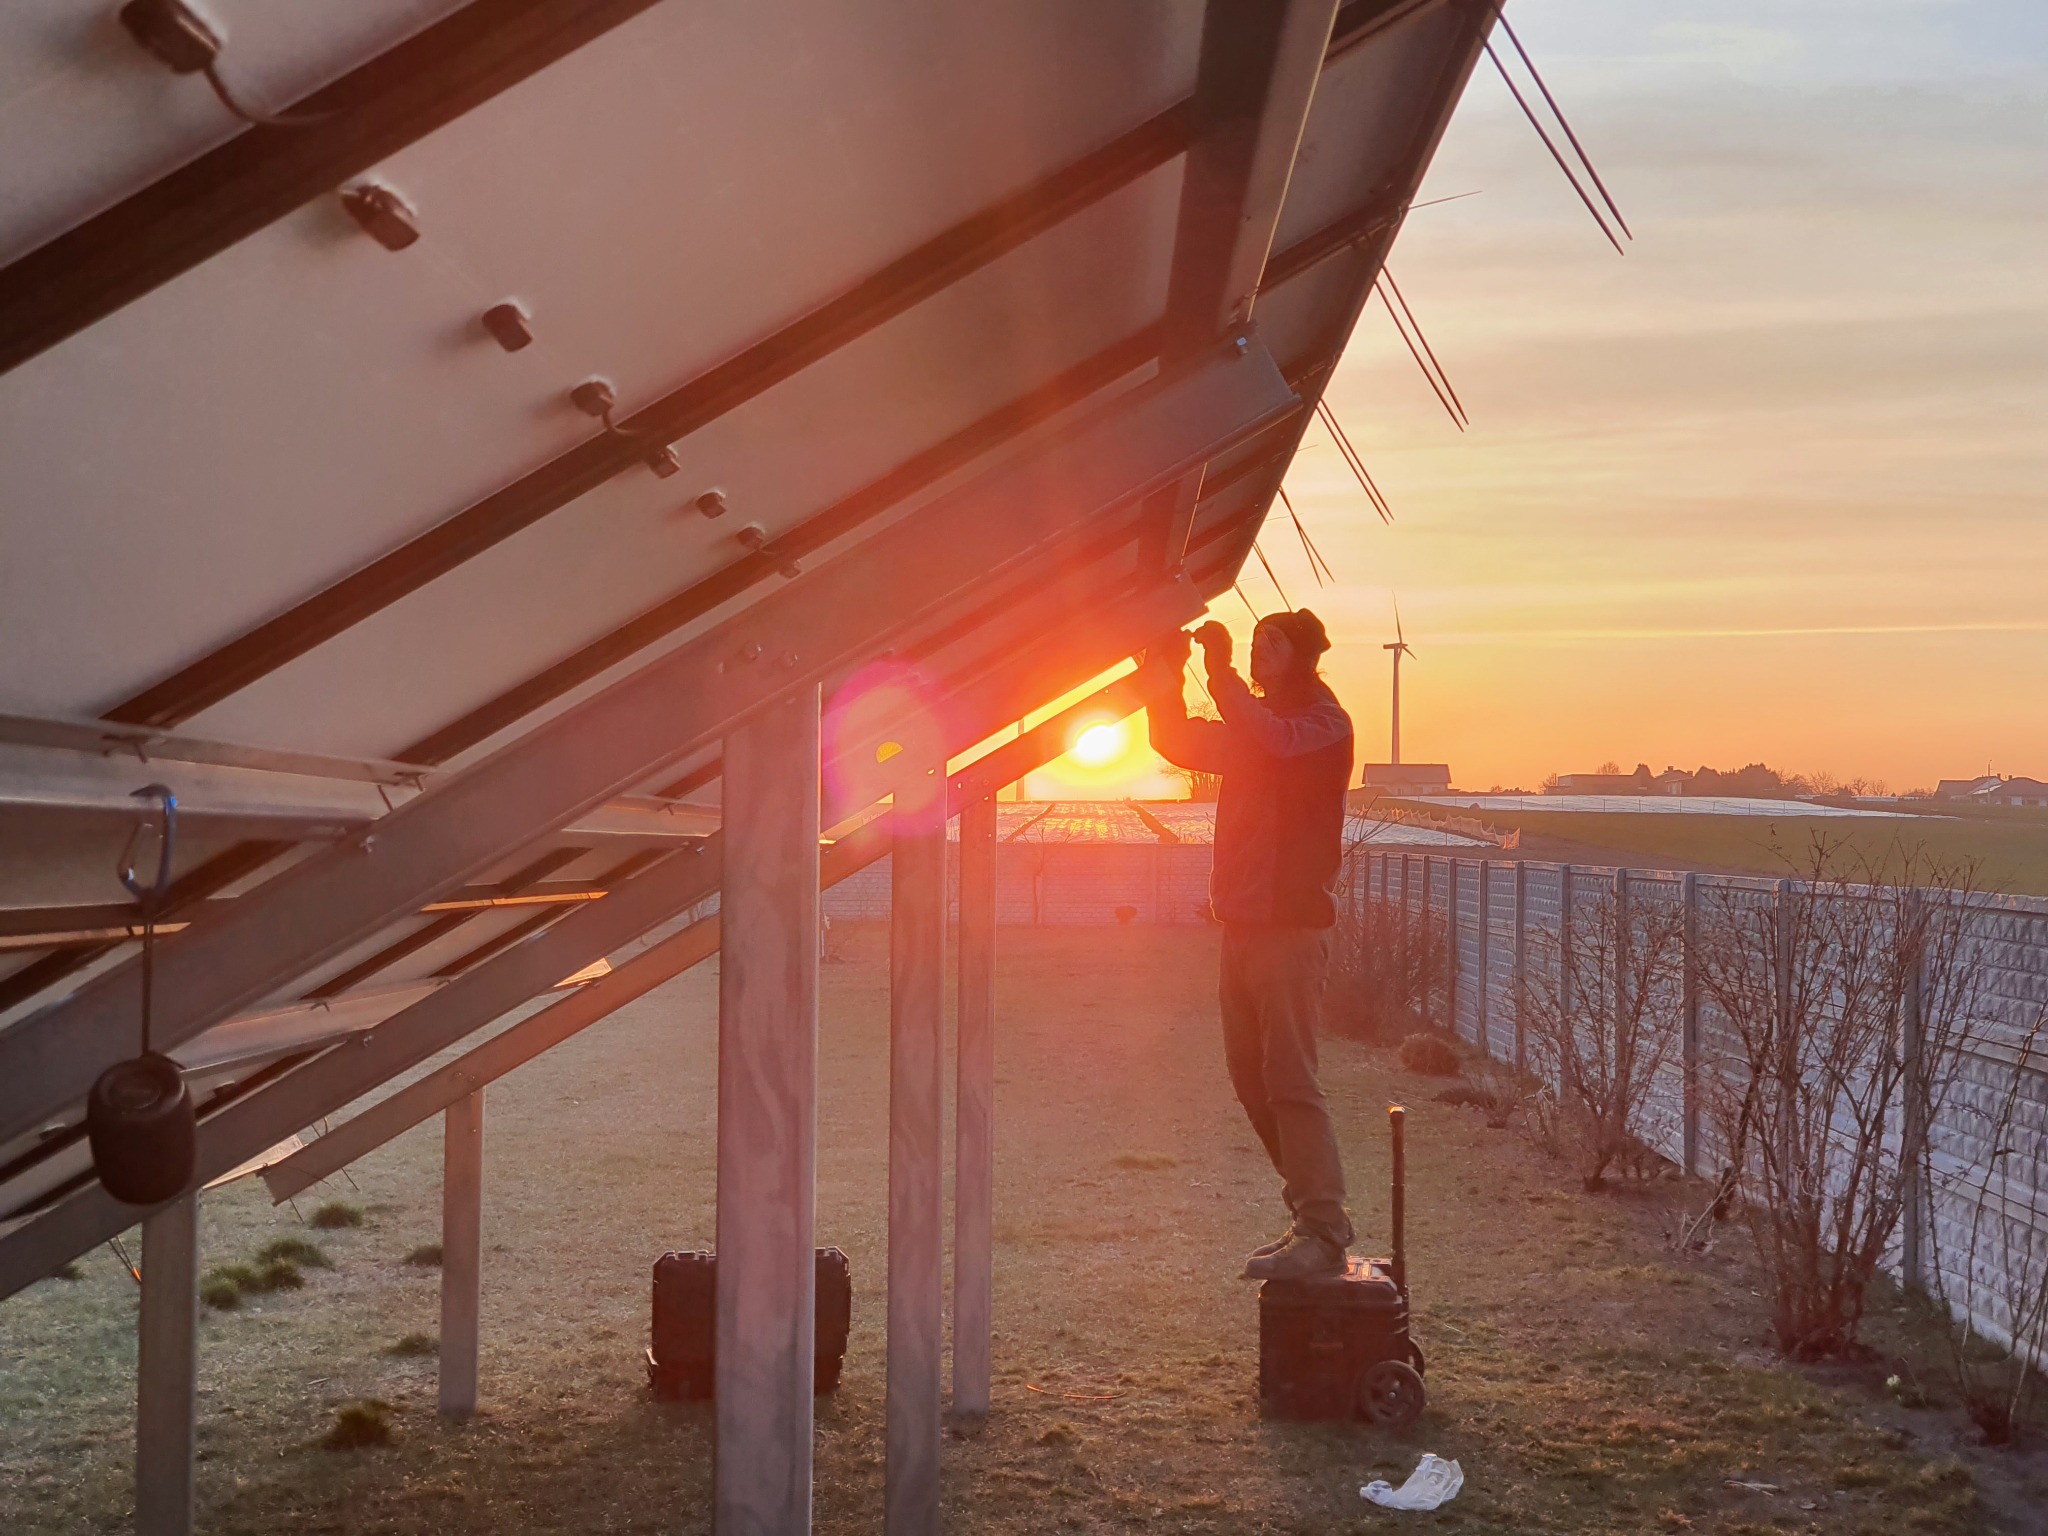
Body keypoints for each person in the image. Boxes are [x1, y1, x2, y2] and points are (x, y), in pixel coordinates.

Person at [1139, 611, 1356, 1280]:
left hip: (1290, 932)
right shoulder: (1255, 728)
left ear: (1305, 656)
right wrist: (1163, 668)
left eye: (1272, 643)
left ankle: (1323, 1224)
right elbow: (1175, 739)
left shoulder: (1320, 726)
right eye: (1255, 641)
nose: (1259, 651)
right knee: (1251, 1078)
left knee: (1290, 1077)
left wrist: (1221, 670)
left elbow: (1272, 738)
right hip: (1241, 929)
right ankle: (1310, 1217)